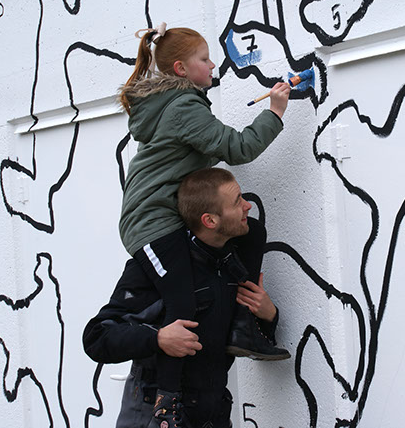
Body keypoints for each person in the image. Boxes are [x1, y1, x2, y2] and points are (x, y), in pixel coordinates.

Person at [117, 22, 290, 425]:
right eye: (205, 59)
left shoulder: (175, 104)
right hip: (151, 222)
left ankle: (244, 324)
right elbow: (238, 147)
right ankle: (167, 400)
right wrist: (276, 112)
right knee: (182, 303)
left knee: (251, 232)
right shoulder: (183, 108)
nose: (213, 65)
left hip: (170, 215)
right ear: (181, 69)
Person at [84, 168, 287, 428]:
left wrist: (268, 315)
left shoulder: (234, 260)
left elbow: (238, 339)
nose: (247, 206)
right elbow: (97, 337)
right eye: (237, 201)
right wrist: (158, 338)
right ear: (210, 220)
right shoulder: (156, 268)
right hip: (153, 414)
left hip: (213, 413)